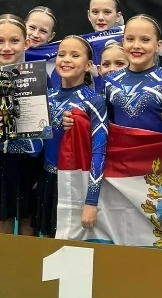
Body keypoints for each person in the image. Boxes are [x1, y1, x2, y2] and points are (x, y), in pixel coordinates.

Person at [0, 14, 42, 235]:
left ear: (26, 43)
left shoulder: (39, 82)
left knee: (29, 245)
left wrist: (24, 129)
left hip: (32, 170)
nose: (6, 47)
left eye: (14, 41)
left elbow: (42, 143)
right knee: (1, 246)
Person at [34, 35, 108, 236]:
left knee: (76, 244)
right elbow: (36, 147)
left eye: (75, 55)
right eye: (61, 54)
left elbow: (99, 152)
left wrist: (91, 201)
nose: (66, 59)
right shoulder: (46, 98)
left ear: (88, 65)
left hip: (78, 182)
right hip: (49, 181)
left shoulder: (94, 101)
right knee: (50, 241)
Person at [105, 15, 162, 132]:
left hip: (159, 144)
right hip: (122, 144)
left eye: (145, 40)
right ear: (123, 42)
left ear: (158, 45)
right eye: (130, 39)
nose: (136, 46)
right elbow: (107, 125)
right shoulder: (110, 81)